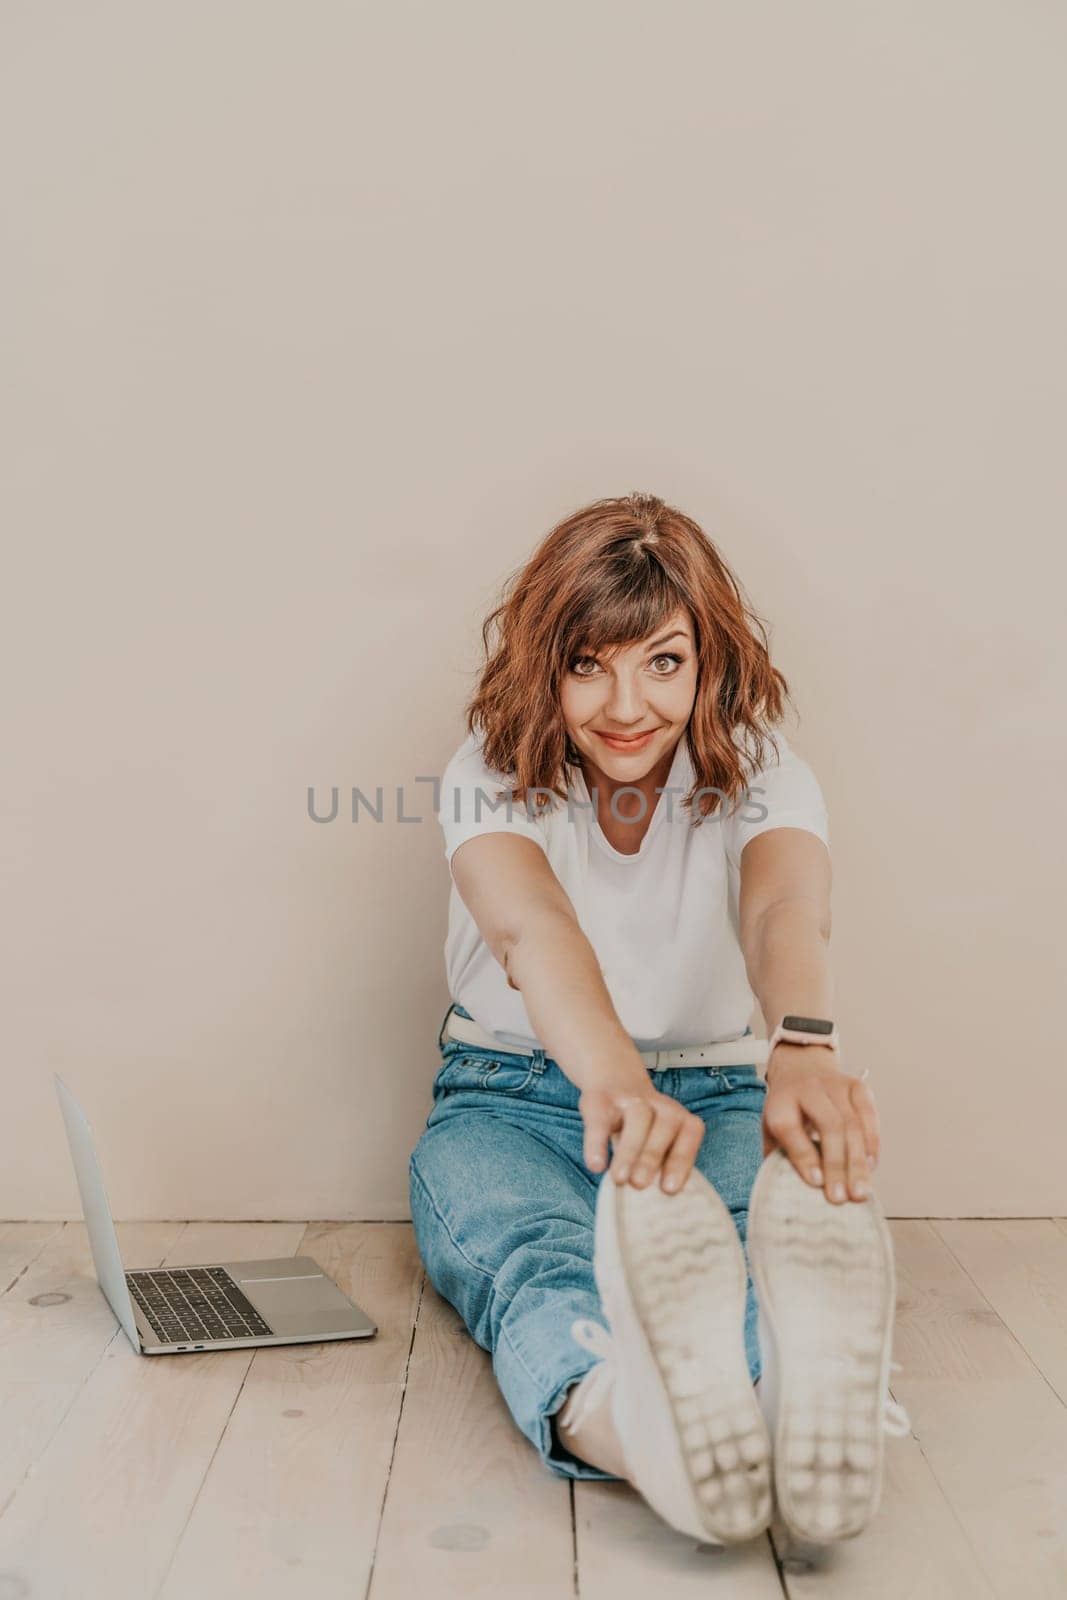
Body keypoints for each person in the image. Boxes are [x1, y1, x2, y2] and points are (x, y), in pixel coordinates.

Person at [408, 491, 905, 1546]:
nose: (624, 704)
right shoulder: (485, 773)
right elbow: (532, 933)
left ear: (708, 662)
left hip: (717, 1087)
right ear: (543, 664)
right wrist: (614, 1087)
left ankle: (791, 1403)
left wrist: (803, 1046)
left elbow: (782, 906)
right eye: (588, 662)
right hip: (509, 1098)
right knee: (522, 1251)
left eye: (661, 662)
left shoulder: (764, 772)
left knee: (731, 1247)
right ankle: (638, 1430)